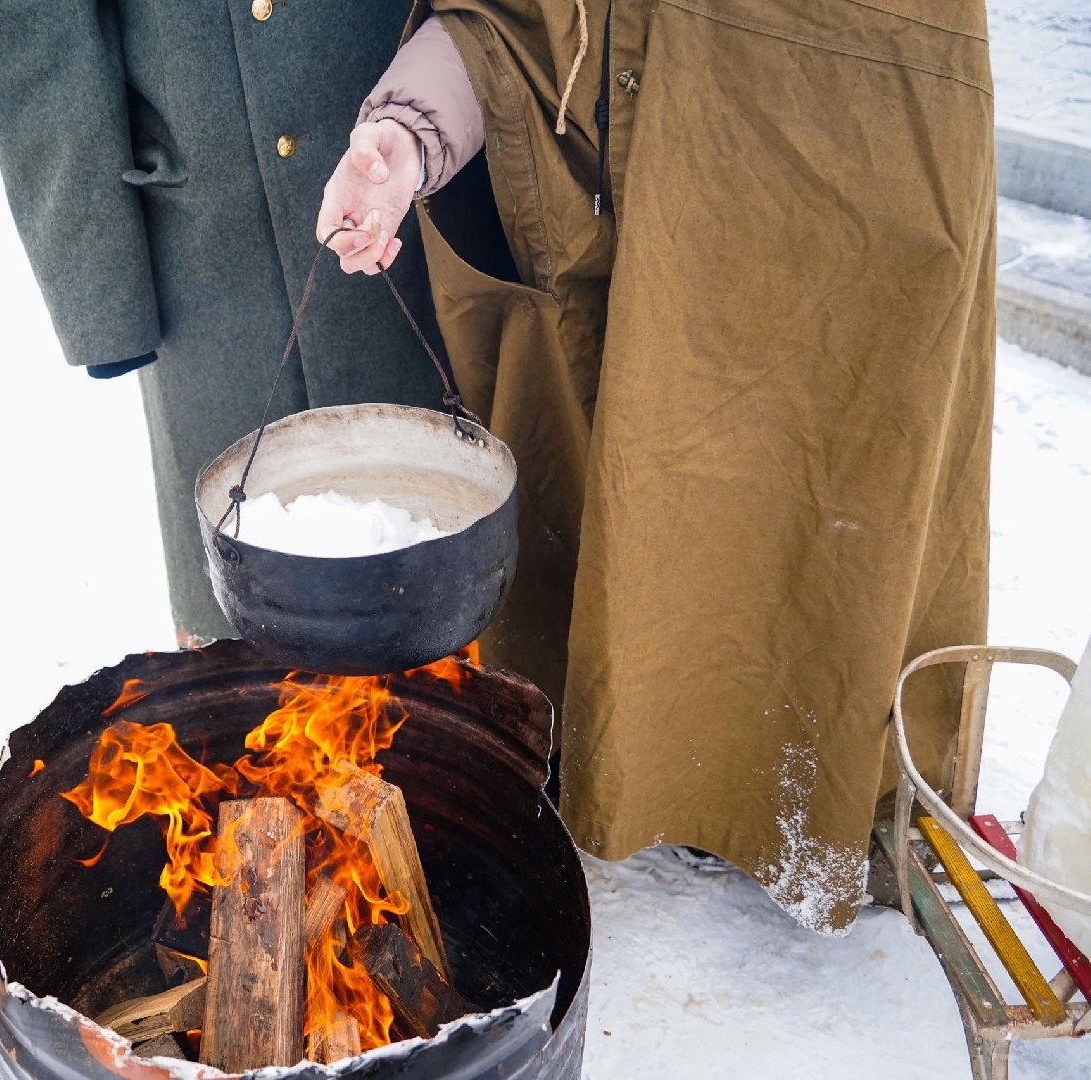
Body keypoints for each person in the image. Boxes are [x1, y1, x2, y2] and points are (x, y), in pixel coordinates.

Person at [320, 0, 995, 932]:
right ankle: (634, 761)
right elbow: (512, 34)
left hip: (848, 258)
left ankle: (795, 796)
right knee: (648, 521)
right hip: (616, 284)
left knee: (826, 524)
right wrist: (407, 135)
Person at [0, 1, 451, 645]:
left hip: (426, 193)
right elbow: (32, 28)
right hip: (208, 257)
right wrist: (103, 293)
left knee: (447, 573)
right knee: (242, 635)